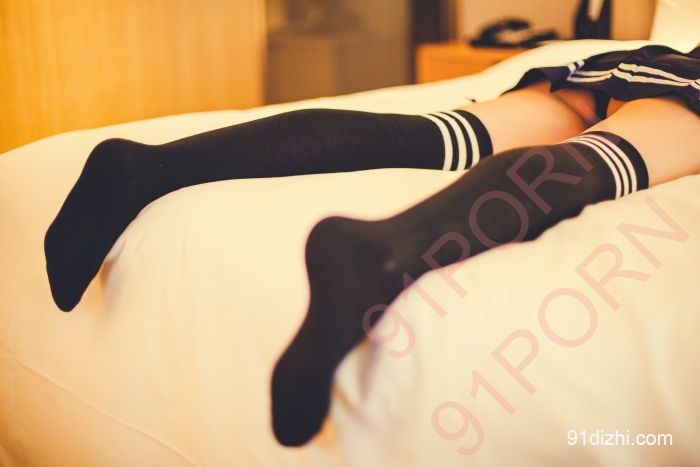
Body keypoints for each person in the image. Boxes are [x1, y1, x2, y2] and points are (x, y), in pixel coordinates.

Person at [44, 43, 700, 446]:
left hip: (634, 62)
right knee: (611, 155)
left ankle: (146, 168)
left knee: (437, 135)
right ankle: (384, 252)